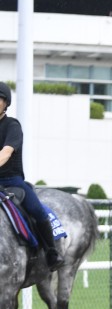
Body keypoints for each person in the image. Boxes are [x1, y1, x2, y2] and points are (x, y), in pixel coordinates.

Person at [0, 82, 64, 270]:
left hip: (13, 182)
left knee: (38, 211)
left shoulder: (12, 126)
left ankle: (52, 251)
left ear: (6, 103)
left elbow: (6, 153)